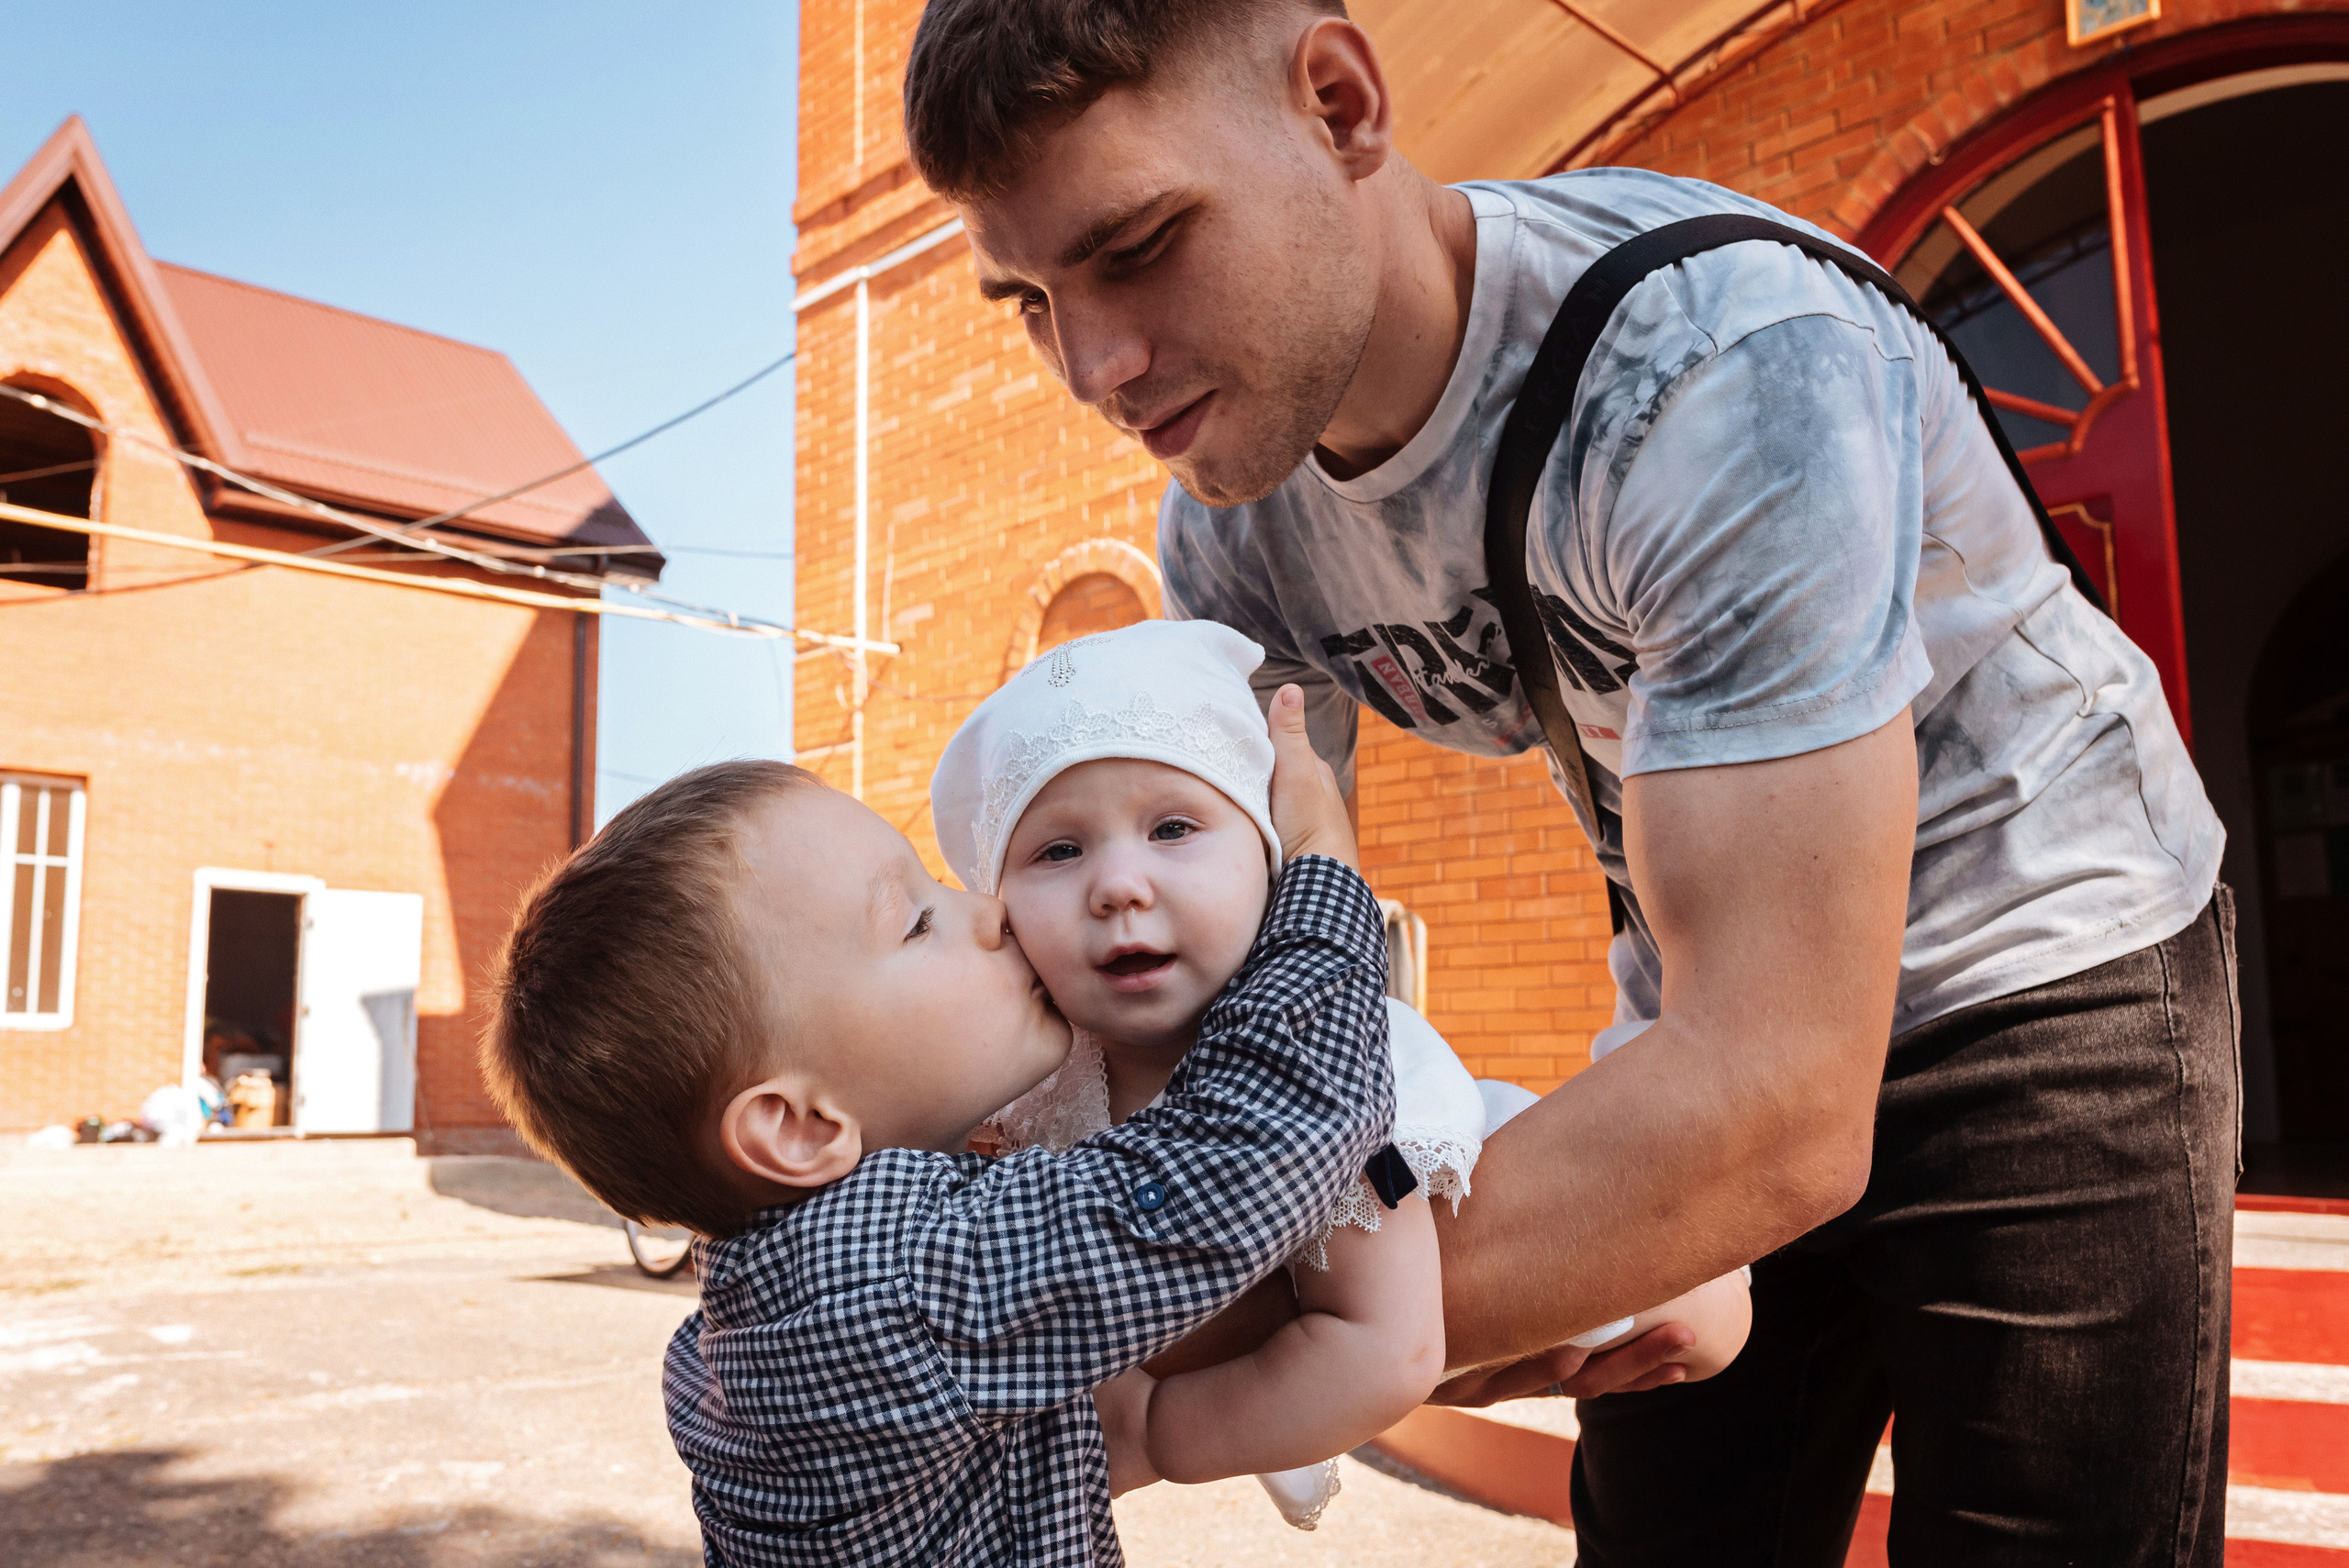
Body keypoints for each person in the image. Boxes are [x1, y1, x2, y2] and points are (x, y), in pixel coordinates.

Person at [900, 3, 2240, 1563]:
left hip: (2043, 957)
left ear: (1337, 104)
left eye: (1136, 246)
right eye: (1032, 300)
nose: (1094, 364)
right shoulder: (1237, 528)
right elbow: (1251, 998)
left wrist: (1069, 1354)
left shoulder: (1720, 365)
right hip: (1708, 999)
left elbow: (1777, 1111)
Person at [480, 696, 1408, 1564]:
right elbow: (1253, 1149)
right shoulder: (905, 1285)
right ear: (800, 1127)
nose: (992, 911)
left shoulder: (740, 1319)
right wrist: (1321, 866)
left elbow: (1115, 1430)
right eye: (920, 917)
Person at [931, 617, 1751, 1529]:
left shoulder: (1329, 1065)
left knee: (1702, 1309)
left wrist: (1154, 1434)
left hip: (1550, 1220)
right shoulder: (1037, 1079)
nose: (1117, 883)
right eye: (1057, 849)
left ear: (1273, 862)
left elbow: (1385, 1345)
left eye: (1172, 826)